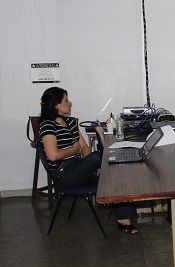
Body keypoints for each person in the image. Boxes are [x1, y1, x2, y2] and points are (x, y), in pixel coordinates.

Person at [39, 87, 138, 234]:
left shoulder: (70, 123)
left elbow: (84, 147)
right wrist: (75, 151)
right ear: (56, 105)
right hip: (64, 175)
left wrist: (93, 165)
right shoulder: (47, 126)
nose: (70, 103)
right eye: (66, 100)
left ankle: (124, 219)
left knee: (117, 174)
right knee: (99, 156)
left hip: (78, 169)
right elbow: (53, 156)